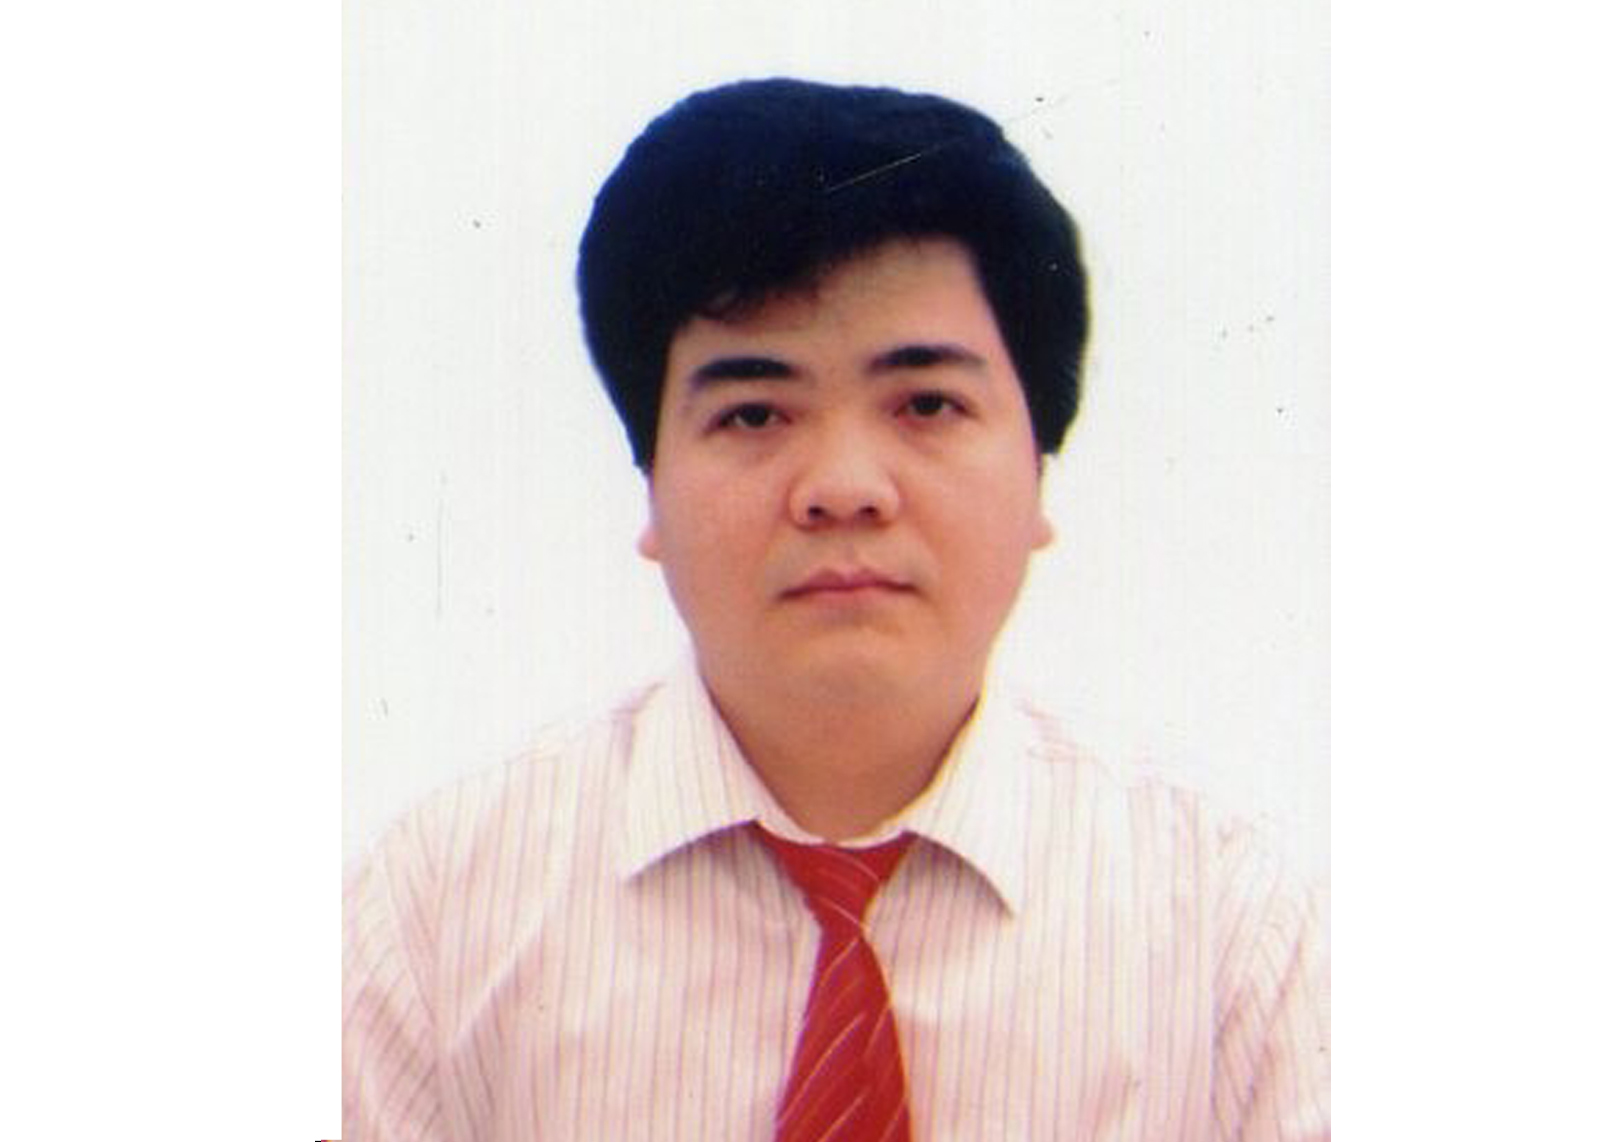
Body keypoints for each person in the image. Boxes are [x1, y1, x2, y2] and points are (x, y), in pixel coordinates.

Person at [344, 78, 1329, 1141]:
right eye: (754, 412)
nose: (844, 486)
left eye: (927, 403)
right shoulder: (432, 917)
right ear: (651, 486)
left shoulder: (1231, 928)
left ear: (1037, 473)